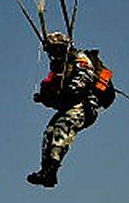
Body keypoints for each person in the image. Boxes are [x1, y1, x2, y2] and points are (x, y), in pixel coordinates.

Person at [27, 31, 101, 187]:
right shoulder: (57, 69)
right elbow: (52, 92)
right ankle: (46, 171)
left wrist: (72, 88)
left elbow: (85, 76)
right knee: (49, 132)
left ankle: (52, 169)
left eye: (56, 49)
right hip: (68, 107)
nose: (53, 53)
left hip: (83, 105)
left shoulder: (79, 58)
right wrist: (45, 96)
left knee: (62, 128)